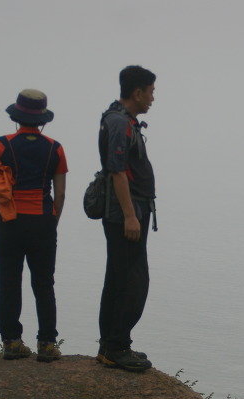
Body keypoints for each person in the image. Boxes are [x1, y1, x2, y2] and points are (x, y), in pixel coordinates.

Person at [0, 89, 67, 362]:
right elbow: (61, 193)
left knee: (9, 281)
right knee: (44, 284)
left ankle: (11, 342)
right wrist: (52, 221)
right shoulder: (55, 148)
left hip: (9, 221)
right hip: (42, 221)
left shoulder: (1, 145)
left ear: (16, 117)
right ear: (42, 120)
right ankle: (46, 344)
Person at [96, 66, 157, 372]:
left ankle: (111, 345)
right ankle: (116, 346)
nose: (153, 98)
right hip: (125, 214)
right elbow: (117, 170)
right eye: (151, 91)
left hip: (127, 211)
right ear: (137, 93)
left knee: (119, 278)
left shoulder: (120, 119)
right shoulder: (120, 123)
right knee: (131, 281)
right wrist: (131, 217)